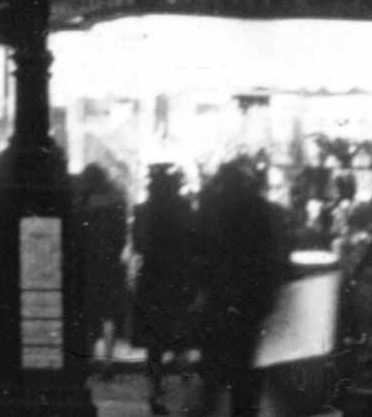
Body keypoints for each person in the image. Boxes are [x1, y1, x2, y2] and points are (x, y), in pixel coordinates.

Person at [191, 156, 290, 417]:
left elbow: (201, 252)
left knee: (213, 370)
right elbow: (273, 255)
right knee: (247, 370)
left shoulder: (212, 208)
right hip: (251, 300)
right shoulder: (263, 209)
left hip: (220, 297)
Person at [130, 162, 199, 414]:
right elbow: (194, 245)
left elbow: (139, 245)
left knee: (153, 342)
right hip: (178, 278)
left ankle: (156, 390)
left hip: (151, 278)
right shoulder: (185, 210)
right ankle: (184, 380)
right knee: (178, 330)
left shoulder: (143, 210)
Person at [75, 159, 131, 362]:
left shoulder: (83, 201)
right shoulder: (117, 199)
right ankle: (109, 357)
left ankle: (89, 354)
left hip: (89, 263)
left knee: (90, 312)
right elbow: (122, 235)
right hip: (111, 263)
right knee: (111, 313)